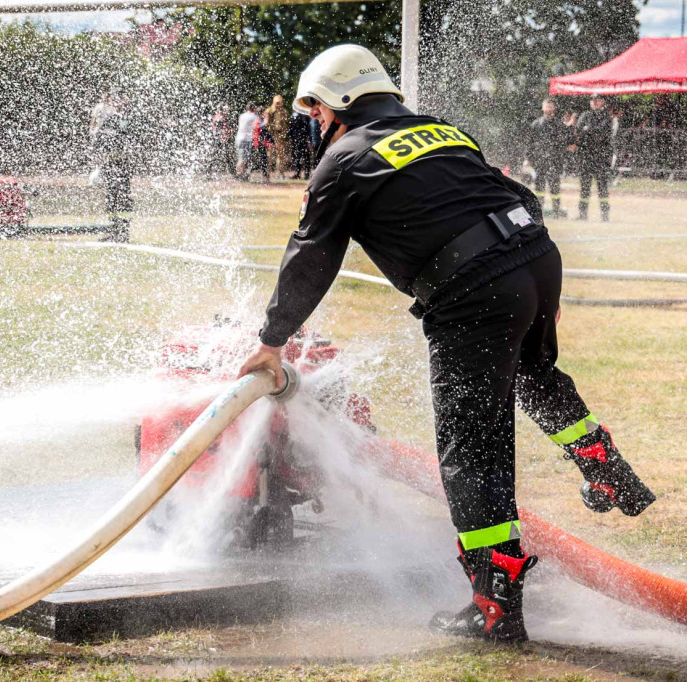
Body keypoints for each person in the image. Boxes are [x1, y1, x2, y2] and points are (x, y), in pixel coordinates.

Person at [236, 44, 655, 644]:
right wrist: (528, 275)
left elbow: (312, 255)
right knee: (534, 375)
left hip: (471, 288)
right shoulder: (440, 129)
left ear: (338, 101)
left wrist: (272, 340)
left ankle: (494, 605)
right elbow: (514, 196)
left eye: (317, 110)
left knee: (472, 453)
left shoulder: (345, 159)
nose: (316, 122)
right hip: (533, 255)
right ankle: (606, 468)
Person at [91, 90, 133, 241]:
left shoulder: (130, 117)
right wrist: (97, 158)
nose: (117, 102)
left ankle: (124, 232)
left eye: (120, 98)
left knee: (124, 197)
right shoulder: (111, 118)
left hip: (123, 163)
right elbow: (99, 137)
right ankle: (114, 230)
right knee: (111, 197)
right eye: (115, 99)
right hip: (109, 162)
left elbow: (134, 138)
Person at [575, 94, 614, 222]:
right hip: (586, 157)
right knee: (584, 187)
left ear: (603, 102)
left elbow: (602, 133)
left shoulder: (607, 117)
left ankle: (605, 215)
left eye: (597, 100)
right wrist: (589, 131)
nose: (594, 102)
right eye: (592, 100)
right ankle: (582, 214)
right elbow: (578, 132)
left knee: (603, 188)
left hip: (601, 158)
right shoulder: (585, 115)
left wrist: (588, 130)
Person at [528, 98, 568, 218]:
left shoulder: (559, 125)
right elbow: (530, 143)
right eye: (546, 106)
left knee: (555, 187)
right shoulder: (536, 124)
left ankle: (556, 211)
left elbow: (564, 143)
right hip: (539, 161)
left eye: (551, 106)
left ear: (554, 108)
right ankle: (539, 211)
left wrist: (561, 158)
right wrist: (528, 159)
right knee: (539, 187)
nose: (549, 108)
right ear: (542, 108)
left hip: (555, 161)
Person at [266, 95, 292, 179]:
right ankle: (267, 173)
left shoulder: (284, 112)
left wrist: (284, 135)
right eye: (277, 103)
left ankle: (280, 173)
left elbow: (287, 125)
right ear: (273, 102)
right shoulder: (269, 111)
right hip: (271, 136)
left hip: (281, 137)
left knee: (281, 156)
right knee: (269, 156)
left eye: (279, 103)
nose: (278, 105)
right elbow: (266, 125)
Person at [235, 102, 260, 180]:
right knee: (244, 159)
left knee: (242, 158)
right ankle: (240, 175)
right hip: (247, 139)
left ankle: (241, 175)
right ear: (254, 109)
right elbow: (257, 126)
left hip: (239, 138)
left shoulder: (241, 116)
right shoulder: (254, 117)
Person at [287, 111, 313, 180]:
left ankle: (307, 173)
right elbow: (291, 127)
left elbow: (308, 128)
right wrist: (291, 138)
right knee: (297, 157)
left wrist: (309, 139)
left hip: (304, 139)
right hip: (296, 139)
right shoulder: (294, 115)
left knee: (306, 157)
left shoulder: (305, 115)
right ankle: (298, 173)